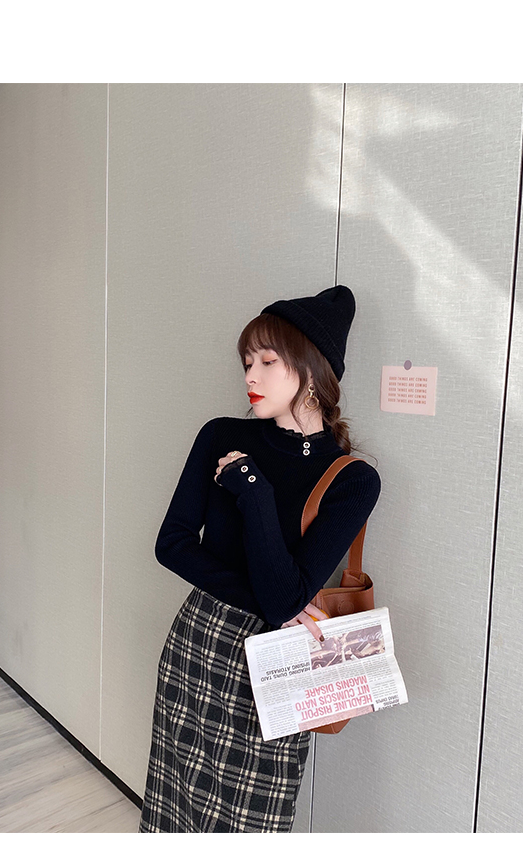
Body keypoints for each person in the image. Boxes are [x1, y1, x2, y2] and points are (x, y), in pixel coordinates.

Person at [138, 285, 382, 833]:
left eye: (268, 361)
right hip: (201, 642)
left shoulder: (354, 480)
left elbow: (283, 596)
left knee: (255, 821)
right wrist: (276, 605)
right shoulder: (221, 435)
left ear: (313, 373)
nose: (251, 375)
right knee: (173, 805)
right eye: (247, 362)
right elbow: (172, 544)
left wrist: (253, 490)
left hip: (281, 660)